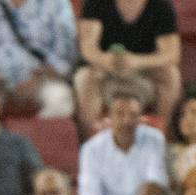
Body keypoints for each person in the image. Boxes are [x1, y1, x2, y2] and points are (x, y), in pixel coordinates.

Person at [78, 87, 167, 195]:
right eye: (120, 114)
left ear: (141, 117)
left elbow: (155, 185)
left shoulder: (154, 139)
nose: (127, 120)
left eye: (133, 115)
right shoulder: (91, 149)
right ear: (109, 117)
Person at [73, 0, 179, 133]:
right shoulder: (95, 3)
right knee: (84, 77)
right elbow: (88, 49)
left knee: (171, 75)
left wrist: (136, 61)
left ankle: (164, 138)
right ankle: (89, 142)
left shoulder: (160, 5)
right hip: (106, 73)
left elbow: (172, 53)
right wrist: (109, 61)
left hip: (144, 74)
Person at [0, 0, 78, 118]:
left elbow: (66, 57)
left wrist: (37, 76)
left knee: (58, 98)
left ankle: (39, 136)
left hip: (43, 80)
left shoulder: (56, 3)